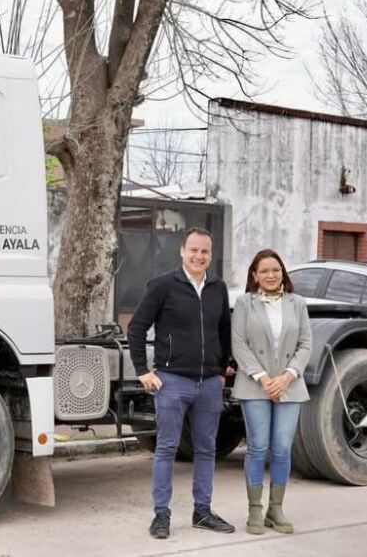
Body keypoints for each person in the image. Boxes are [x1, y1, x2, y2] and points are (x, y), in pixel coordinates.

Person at [127, 227, 235, 540]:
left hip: (209, 384)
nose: (199, 256)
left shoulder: (218, 287)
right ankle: (161, 515)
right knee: (166, 449)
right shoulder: (163, 285)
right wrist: (142, 370)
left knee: (206, 449)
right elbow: (136, 328)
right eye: (194, 250)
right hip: (172, 381)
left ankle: (202, 512)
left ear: (210, 255)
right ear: (182, 251)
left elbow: (224, 330)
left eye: (205, 252)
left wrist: (222, 367)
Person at [231, 248, 311, 535]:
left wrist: (286, 378)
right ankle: (254, 510)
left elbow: (305, 344)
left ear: (283, 273)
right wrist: (264, 378)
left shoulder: (297, 303)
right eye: (264, 270)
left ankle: (275, 510)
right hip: (255, 385)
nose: (270, 275)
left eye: (275, 269)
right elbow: (239, 344)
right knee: (257, 446)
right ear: (254, 275)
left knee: (282, 447)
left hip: (290, 385)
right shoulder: (244, 303)